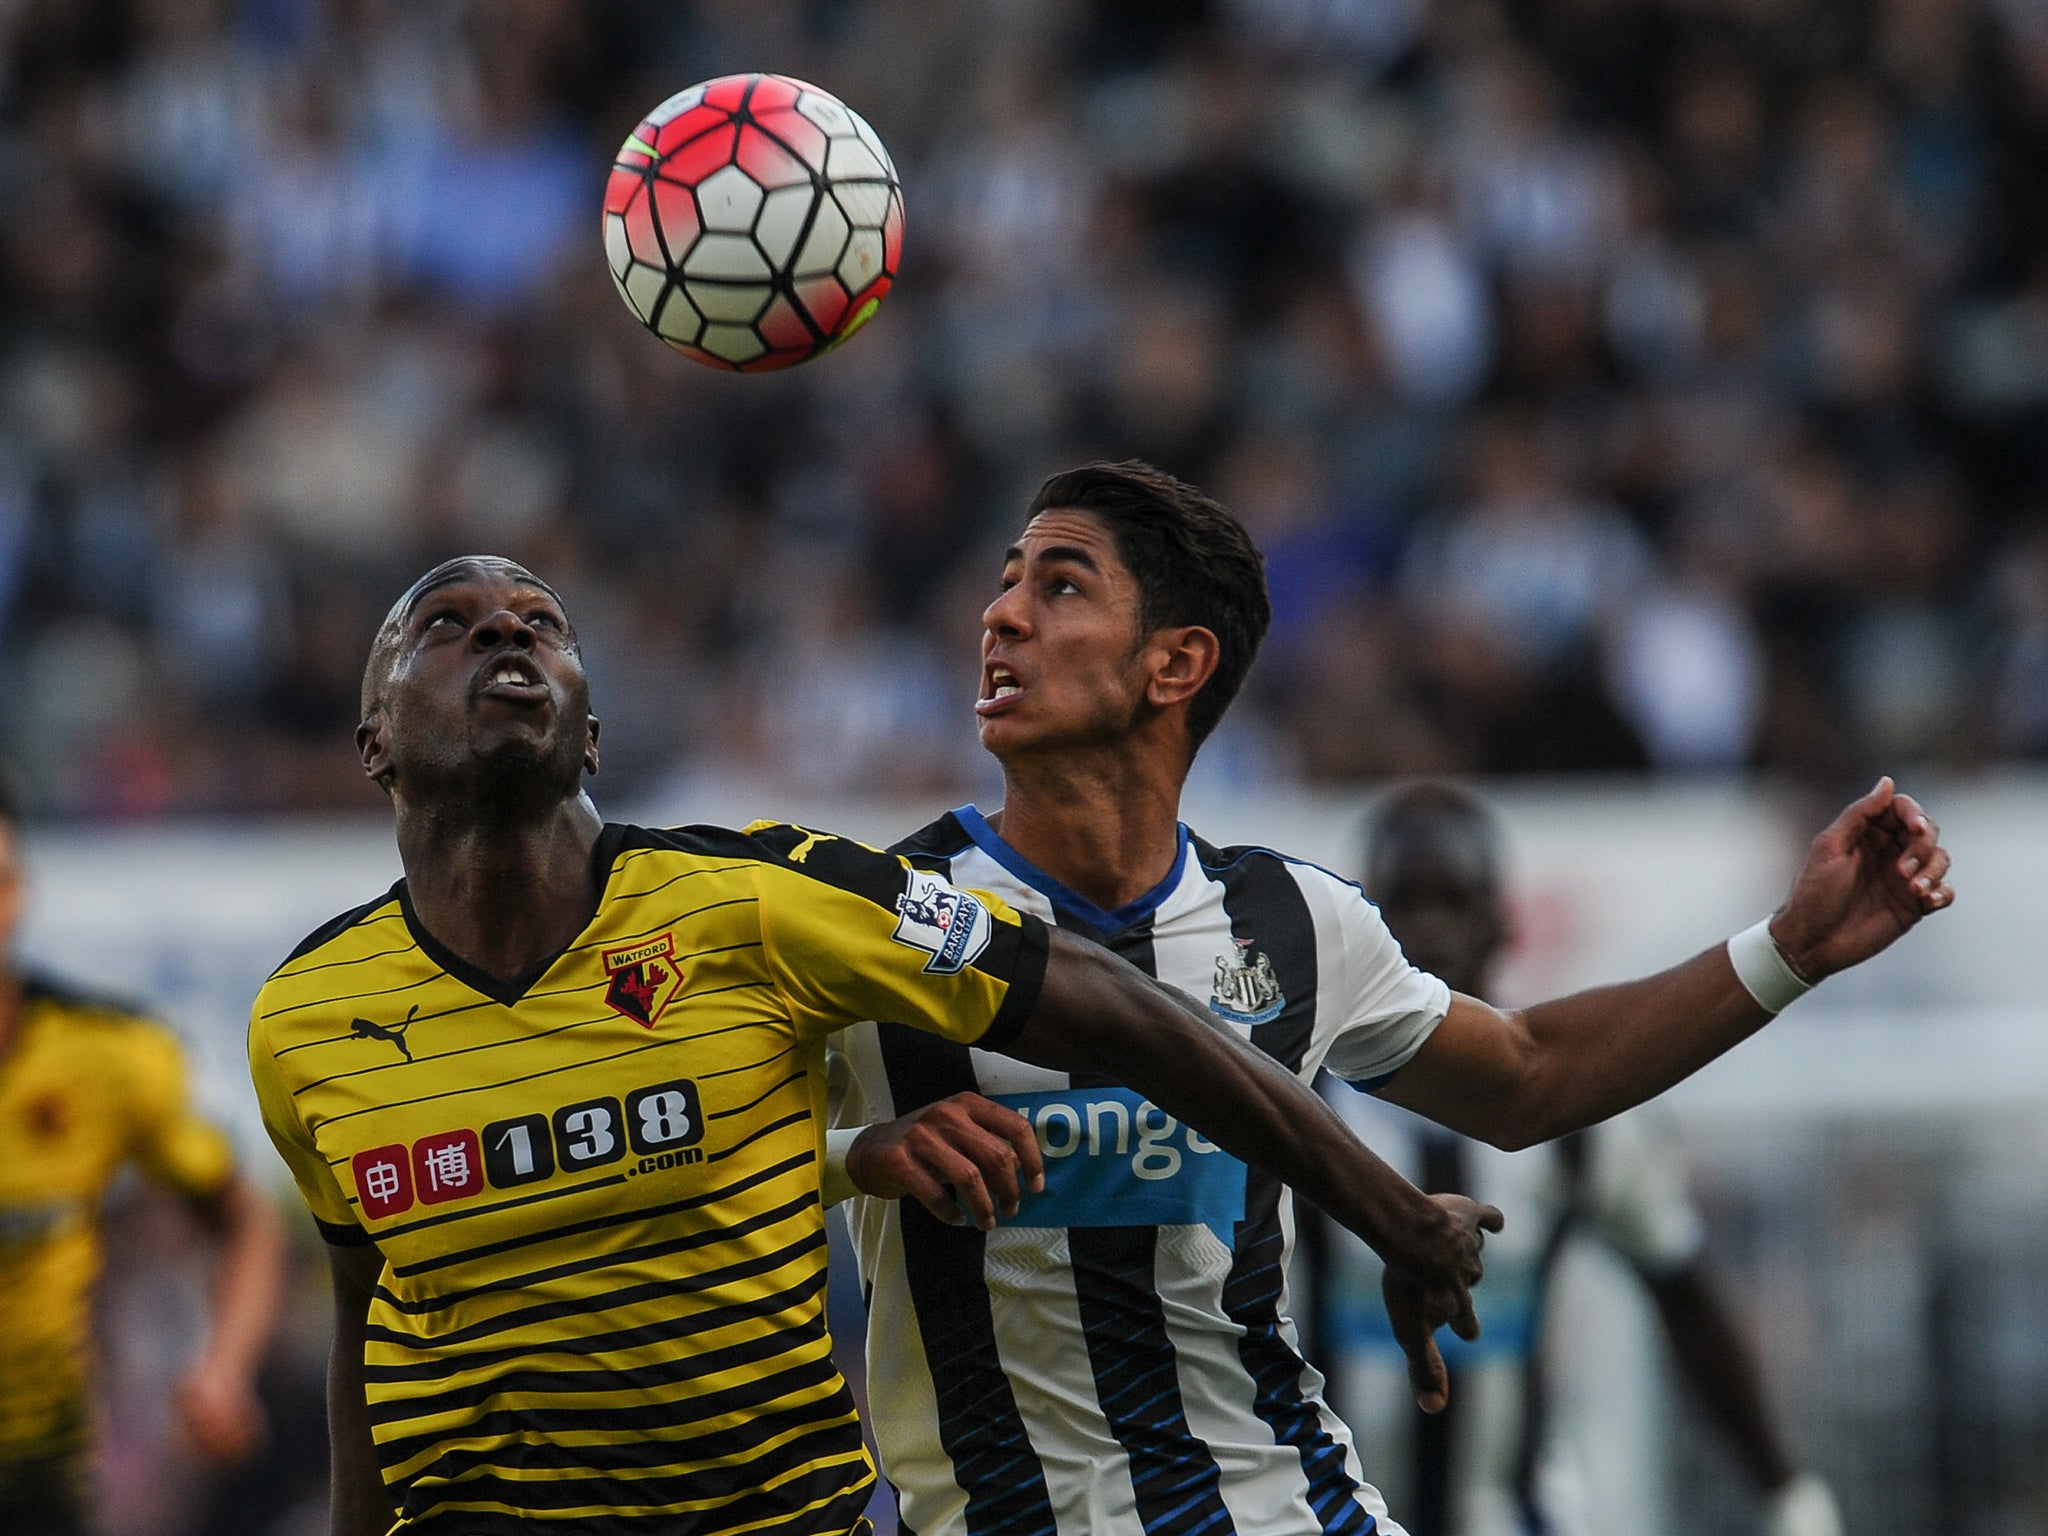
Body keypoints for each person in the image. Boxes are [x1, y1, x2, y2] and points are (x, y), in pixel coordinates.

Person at [245, 554, 1497, 1536]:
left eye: (541, 622)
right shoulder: (304, 1022)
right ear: (374, 741)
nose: (507, 632)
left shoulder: (760, 896)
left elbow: (1097, 994)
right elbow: (372, 1315)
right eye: (446, 625)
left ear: (589, 737)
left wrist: (1388, 1211)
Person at [824, 460, 1951, 1536]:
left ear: (1174, 665)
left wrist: (1790, 948)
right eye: (1007, 578)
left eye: (1058, 585)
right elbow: (688, 1146)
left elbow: (1528, 1077)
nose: (1000, 615)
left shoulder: (1294, 924)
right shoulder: (877, 919)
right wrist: (857, 1157)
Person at [1298, 781, 1841, 1536]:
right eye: (1403, 905)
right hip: (1325, 1514)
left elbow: (1683, 1290)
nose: (1429, 932)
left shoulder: (1583, 1122)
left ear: (1501, 924)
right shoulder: (1295, 1098)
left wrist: (1783, 1484)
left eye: (1453, 901)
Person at [0, 779, 284, 1536]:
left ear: (17, 892)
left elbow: (244, 1219)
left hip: (38, 1470)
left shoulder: (108, 1054)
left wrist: (221, 1370)